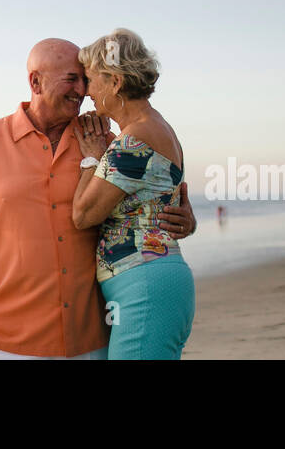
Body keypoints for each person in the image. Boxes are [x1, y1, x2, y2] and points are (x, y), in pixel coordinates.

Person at [0, 38, 197, 360]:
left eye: (86, 79)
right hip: (5, 341)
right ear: (35, 81)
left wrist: (183, 217)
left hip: (91, 338)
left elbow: (149, 188)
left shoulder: (103, 141)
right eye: (72, 79)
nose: (83, 90)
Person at [71, 28, 196, 359]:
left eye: (90, 80)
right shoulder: (157, 127)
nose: (86, 92)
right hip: (154, 281)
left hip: (145, 285)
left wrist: (91, 157)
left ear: (114, 81)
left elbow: (84, 215)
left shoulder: (134, 140)